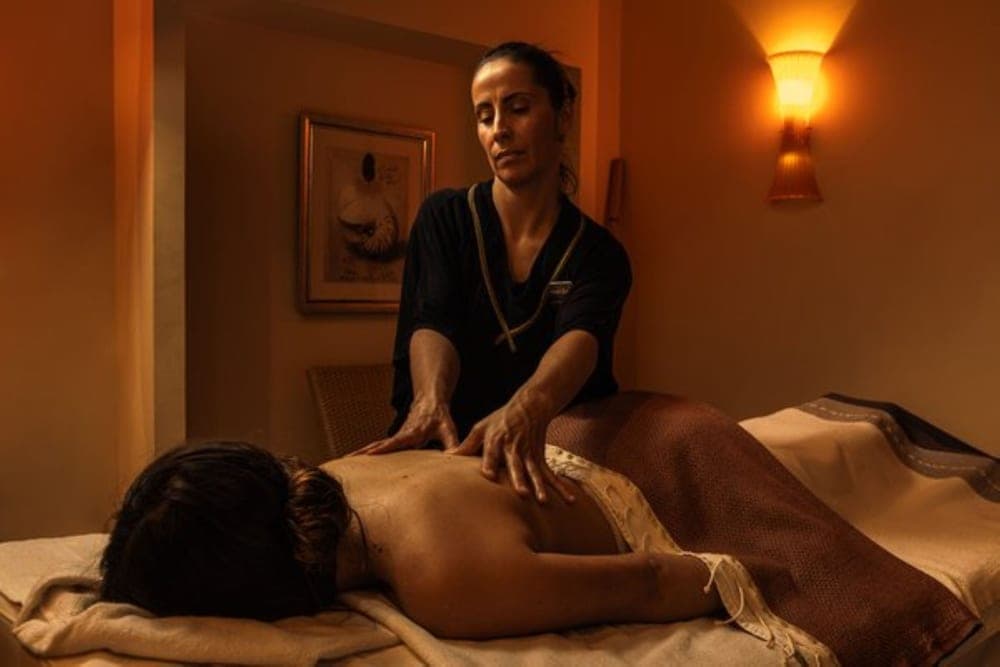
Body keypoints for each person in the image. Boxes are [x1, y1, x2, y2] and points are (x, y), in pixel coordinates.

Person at [355, 42, 631, 505]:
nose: (499, 130)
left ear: (563, 116)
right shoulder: (446, 217)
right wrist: (429, 402)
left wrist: (525, 409)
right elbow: (433, 319)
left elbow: (581, 340)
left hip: (543, 458)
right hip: (441, 450)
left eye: (518, 108)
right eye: (485, 116)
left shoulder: (599, 253)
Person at [100, 441, 720, 637]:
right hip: (595, 431)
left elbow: (652, 581)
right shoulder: (339, 469)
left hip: (673, 471)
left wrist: (756, 573)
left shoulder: (440, 576)